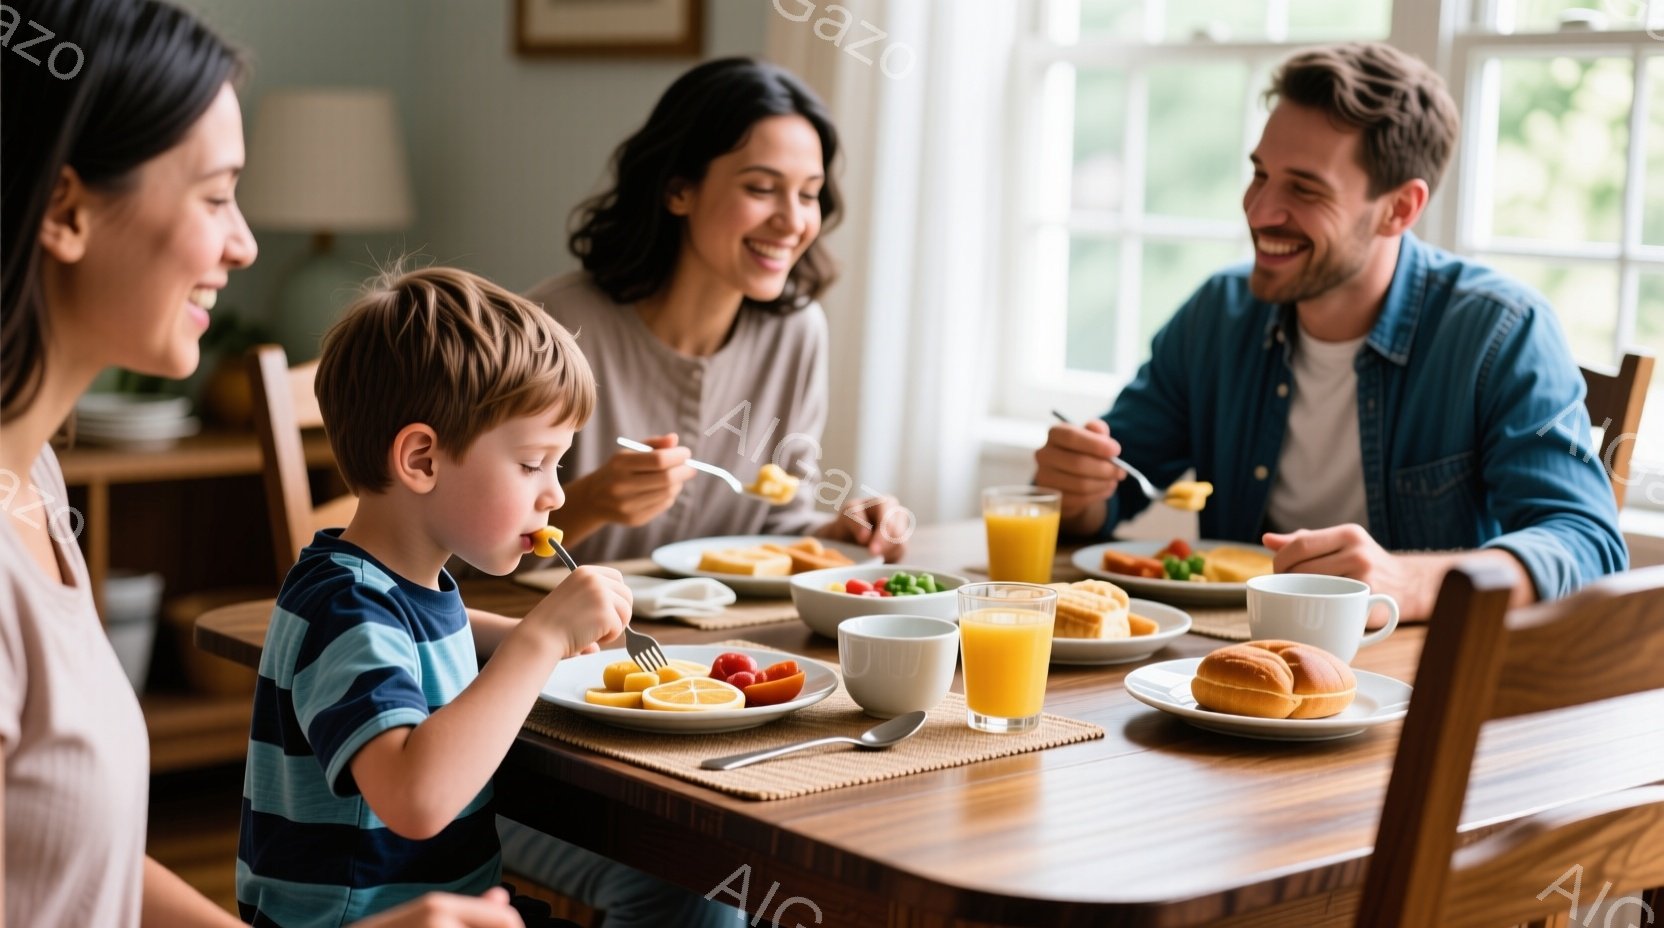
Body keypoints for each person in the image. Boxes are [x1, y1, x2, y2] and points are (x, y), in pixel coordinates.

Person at [0, 0, 524, 924]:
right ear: (68, 211)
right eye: (213, 196)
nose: (243, 243)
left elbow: (73, 865)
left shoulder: (35, 479)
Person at [1032, 42, 1627, 621]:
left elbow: (1588, 546)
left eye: (1304, 189)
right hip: (1241, 669)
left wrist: (1410, 581)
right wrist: (1078, 491)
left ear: (1399, 208)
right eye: (1260, 174)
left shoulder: (1500, 331)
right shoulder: (1219, 315)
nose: (1260, 210)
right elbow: (1112, 491)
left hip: (1419, 687)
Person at [235, 266, 643, 926]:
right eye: (532, 463)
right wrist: (538, 643)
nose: (557, 494)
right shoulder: (342, 606)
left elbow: (425, 628)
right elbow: (416, 799)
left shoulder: (380, 582)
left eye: (558, 464)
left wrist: (520, 636)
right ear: (421, 460)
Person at [525, 57, 908, 565]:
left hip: (726, 635)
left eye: (809, 194)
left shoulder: (797, 333)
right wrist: (592, 503)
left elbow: (779, 520)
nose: (792, 221)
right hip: (563, 633)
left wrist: (844, 530)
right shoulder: (552, 328)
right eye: (761, 189)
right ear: (679, 189)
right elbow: (466, 560)